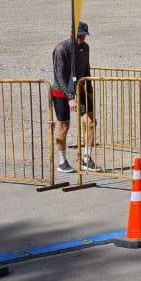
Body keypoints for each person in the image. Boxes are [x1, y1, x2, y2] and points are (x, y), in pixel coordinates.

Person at [51, 21, 96, 174]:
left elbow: (86, 68)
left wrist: (89, 90)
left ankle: (87, 159)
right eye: (79, 36)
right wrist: (70, 97)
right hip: (61, 91)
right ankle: (62, 161)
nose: (82, 39)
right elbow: (59, 75)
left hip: (80, 88)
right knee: (64, 126)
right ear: (72, 34)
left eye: (84, 36)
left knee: (91, 122)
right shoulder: (61, 49)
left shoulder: (85, 48)